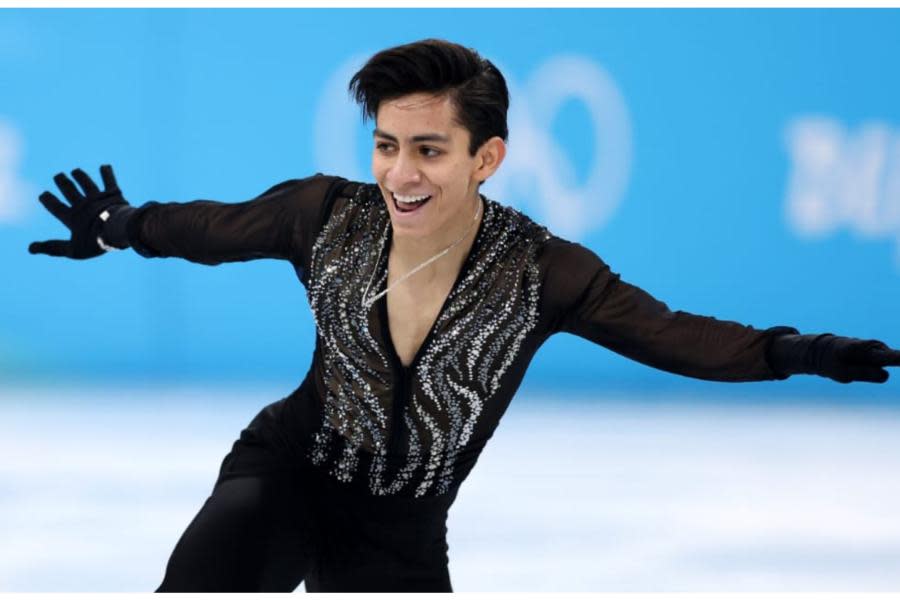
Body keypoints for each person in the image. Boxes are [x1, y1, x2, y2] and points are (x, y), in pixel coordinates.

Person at [28, 38, 900, 593]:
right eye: (386, 145)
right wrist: (117, 227)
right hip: (286, 469)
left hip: (401, 533)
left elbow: (673, 335)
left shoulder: (542, 270)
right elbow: (212, 229)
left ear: (488, 157)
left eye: (429, 151)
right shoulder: (325, 216)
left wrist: (802, 350)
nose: (401, 174)